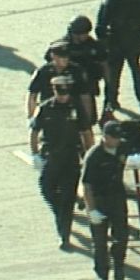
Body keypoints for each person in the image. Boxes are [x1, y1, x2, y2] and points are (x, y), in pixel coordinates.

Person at [29, 75, 90, 249]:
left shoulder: (76, 107)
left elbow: (86, 132)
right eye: (59, 92)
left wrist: (88, 154)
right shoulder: (46, 108)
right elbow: (34, 131)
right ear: (54, 91)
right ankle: (60, 212)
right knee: (46, 188)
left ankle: (64, 235)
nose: (63, 95)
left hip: (71, 158)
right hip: (51, 157)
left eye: (65, 92)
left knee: (68, 198)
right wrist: (35, 154)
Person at [82, 121, 130, 280]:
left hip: (117, 198)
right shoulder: (94, 156)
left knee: (122, 235)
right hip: (99, 200)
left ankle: (119, 265)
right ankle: (102, 276)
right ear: (106, 137)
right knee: (100, 241)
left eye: (119, 138)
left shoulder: (122, 148)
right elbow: (86, 185)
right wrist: (92, 210)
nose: (117, 141)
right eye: (114, 138)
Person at [51, 15, 109, 129]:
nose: (86, 36)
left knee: (88, 119)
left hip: (87, 86)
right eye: (83, 33)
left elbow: (104, 63)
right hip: (65, 87)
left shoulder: (93, 46)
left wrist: (109, 84)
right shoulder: (62, 46)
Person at [28, 41, 93, 133]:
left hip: (71, 111)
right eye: (62, 56)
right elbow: (32, 95)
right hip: (49, 112)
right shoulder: (43, 71)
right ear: (53, 56)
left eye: (66, 56)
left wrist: (87, 119)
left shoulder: (76, 71)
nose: (65, 59)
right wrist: (31, 117)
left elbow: (85, 96)